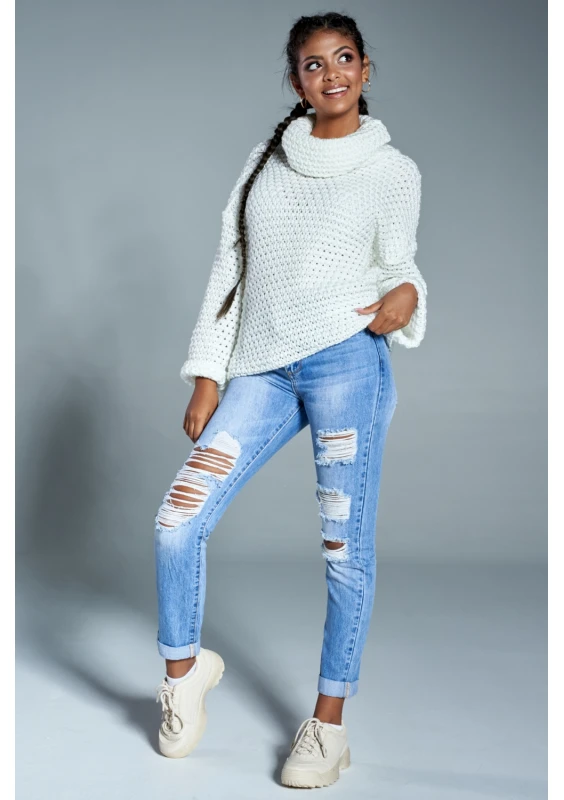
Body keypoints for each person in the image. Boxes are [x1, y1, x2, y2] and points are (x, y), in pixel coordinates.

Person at [153, 11, 427, 789]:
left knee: (345, 554)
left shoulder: (393, 170)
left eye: (344, 58)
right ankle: (183, 676)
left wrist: (408, 296)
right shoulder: (265, 161)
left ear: (365, 69)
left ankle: (327, 726)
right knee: (176, 522)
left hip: (347, 365)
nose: (330, 73)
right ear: (296, 79)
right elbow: (230, 266)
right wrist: (208, 372)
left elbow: (400, 267)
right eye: (313, 63)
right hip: (263, 369)